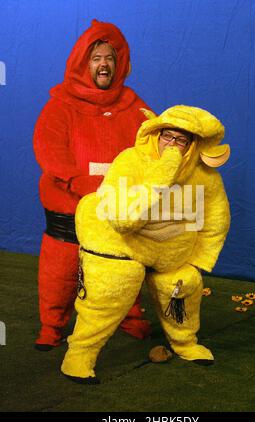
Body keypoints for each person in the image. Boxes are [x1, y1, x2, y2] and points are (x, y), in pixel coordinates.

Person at [60, 104, 231, 384]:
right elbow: (123, 219)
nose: (172, 144)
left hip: (170, 251)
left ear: (191, 145)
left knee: (183, 282)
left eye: (181, 139)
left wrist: (197, 260)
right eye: (167, 136)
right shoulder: (130, 161)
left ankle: (185, 343)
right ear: (155, 135)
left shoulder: (206, 177)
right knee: (113, 285)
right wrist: (161, 175)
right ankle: (79, 354)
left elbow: (216, 220)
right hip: (118, 242)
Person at [33, 19, 152, 351]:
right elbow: (48, 148)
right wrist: (78, 181)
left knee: (124, 267)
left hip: (117, 209)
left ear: (119, 64)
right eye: (96, 58)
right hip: (68, 208)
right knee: (61, 272)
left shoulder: (134, 106)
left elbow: (153, 144)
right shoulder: (59, 105)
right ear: (82, 63)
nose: (104, 65)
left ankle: (131, 318)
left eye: (110, 59)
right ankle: (52, 327)